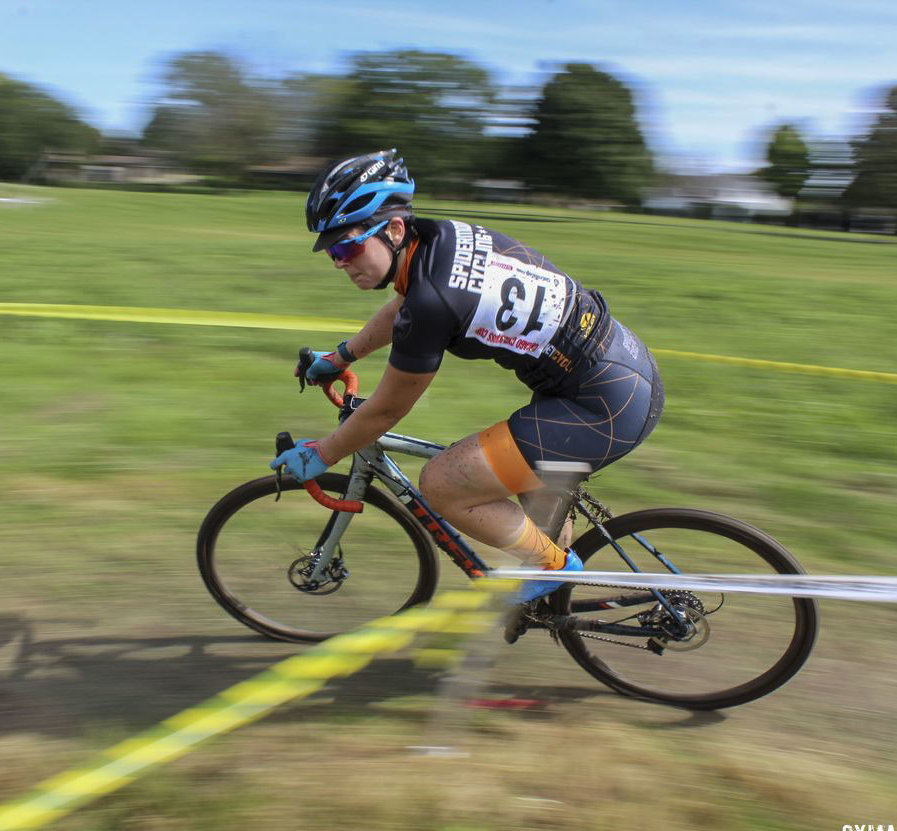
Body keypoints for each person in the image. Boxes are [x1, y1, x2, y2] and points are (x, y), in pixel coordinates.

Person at [271, 149, 663, 616]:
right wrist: (342, 356)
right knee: (525, 498)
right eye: (331, 252)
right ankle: (553, 602)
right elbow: (403, 305)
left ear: (394, 230)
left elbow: (386, 411)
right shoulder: (436, 241)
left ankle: (551, 570)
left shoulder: (433, 300)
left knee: (443, 482)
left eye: (347, 247)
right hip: (610, 374)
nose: (339, 262)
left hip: (601, 404)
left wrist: (323, 453)